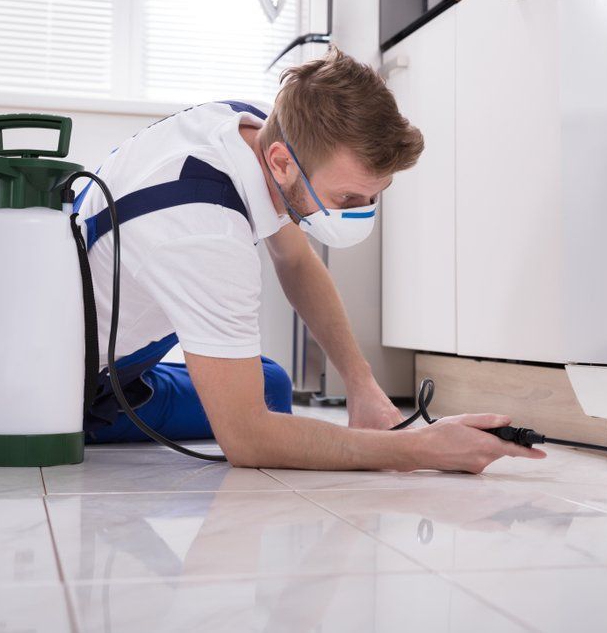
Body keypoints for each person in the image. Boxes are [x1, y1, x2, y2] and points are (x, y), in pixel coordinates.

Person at [76, 46, 545, 472]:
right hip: (70, 388)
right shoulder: (204, 230)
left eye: (372, 197)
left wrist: (362, 386)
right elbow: (247, 441)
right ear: (281, 163)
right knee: (259, 413)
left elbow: (296, 263)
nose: (358, 211)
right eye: (346, 198)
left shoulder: (260, 127)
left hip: (113, 344)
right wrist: (421, 448)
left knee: (272, 386)